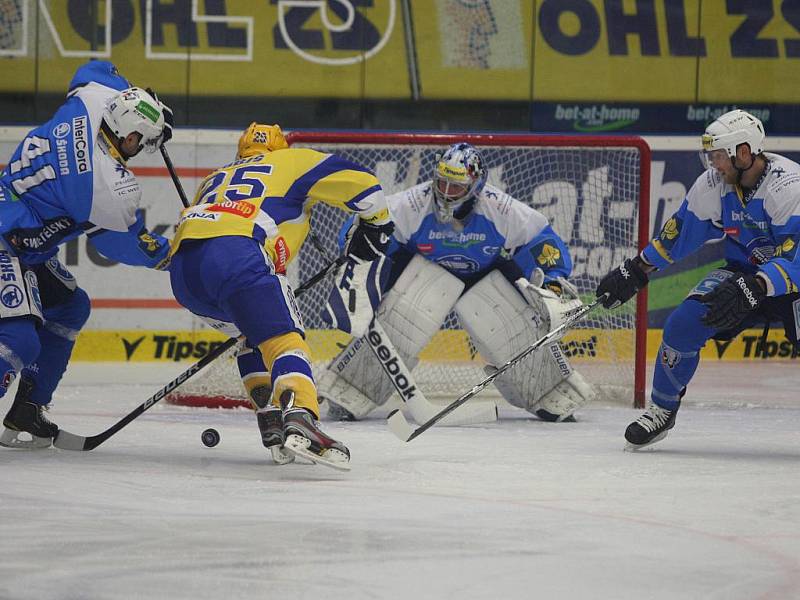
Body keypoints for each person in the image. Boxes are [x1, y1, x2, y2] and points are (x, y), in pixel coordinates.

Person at [167, 122, 393, 470]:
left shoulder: (214, 178)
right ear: (281, 147)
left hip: (184, 276)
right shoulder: (291, 161)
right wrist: (376, 224)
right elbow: (364, 183)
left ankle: (271, 417)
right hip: (239, 253)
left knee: (253, 336)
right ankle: (301, 415)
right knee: (285, 341)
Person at [318, 142, 596, 423]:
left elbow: (542, 242)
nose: (446, 193)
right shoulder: (413, 204)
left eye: (456, 187)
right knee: (403, 318)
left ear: (476, 186)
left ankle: (550, 393)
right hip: (423, 273)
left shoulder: (500, 208)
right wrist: (360, 262)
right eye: (442, 183)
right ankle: (349, 390)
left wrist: (553, 283)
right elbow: (364, 226)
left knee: (509, 327)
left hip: (482, 275)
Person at [596, 109, 800, 450]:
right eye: (711, 156)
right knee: (682, 325)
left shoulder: (788, 185)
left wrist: (760, 285)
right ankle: (661, 410)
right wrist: (636, 270)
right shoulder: (714, 186)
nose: (713, 164)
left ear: (744, 152)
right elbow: (679, 234)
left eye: (719, 156)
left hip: (790, 280)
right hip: (744, 275)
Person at [0, 60, 173, 449]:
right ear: (129, 137)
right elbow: (123, 244)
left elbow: (95, 67)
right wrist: (175, 256)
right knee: (18, 341)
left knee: (69, 307)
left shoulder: (93, 98)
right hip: (6, 239)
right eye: (143, 142)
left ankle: (28, 407)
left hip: (22, 240)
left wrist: (140, 99)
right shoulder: (105, 185)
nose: (142, 151)